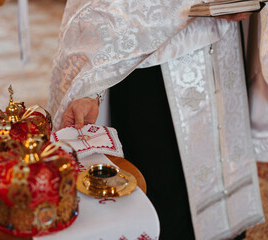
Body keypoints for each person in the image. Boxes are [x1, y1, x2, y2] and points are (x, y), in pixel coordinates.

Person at [47, 1, 267, 239]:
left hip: (223, 46)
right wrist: (92, 86)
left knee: (224, 172)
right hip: (155, 64)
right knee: (165, 200)